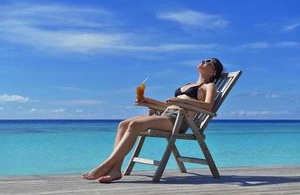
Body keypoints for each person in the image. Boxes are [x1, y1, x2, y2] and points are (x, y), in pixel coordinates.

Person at [82, 58, 224, 183]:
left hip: (179, 120)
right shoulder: (188, 84)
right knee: (123, 124)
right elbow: (168, 105)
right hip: (167, 114)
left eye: (208, 62)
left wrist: (183, 103)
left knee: (134, 125)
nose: (203, 61)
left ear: (213, 72)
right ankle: (115, 170)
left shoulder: (208, 86)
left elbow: (208, 107)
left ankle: (106, 165)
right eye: (203, 60)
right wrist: (147, 101)